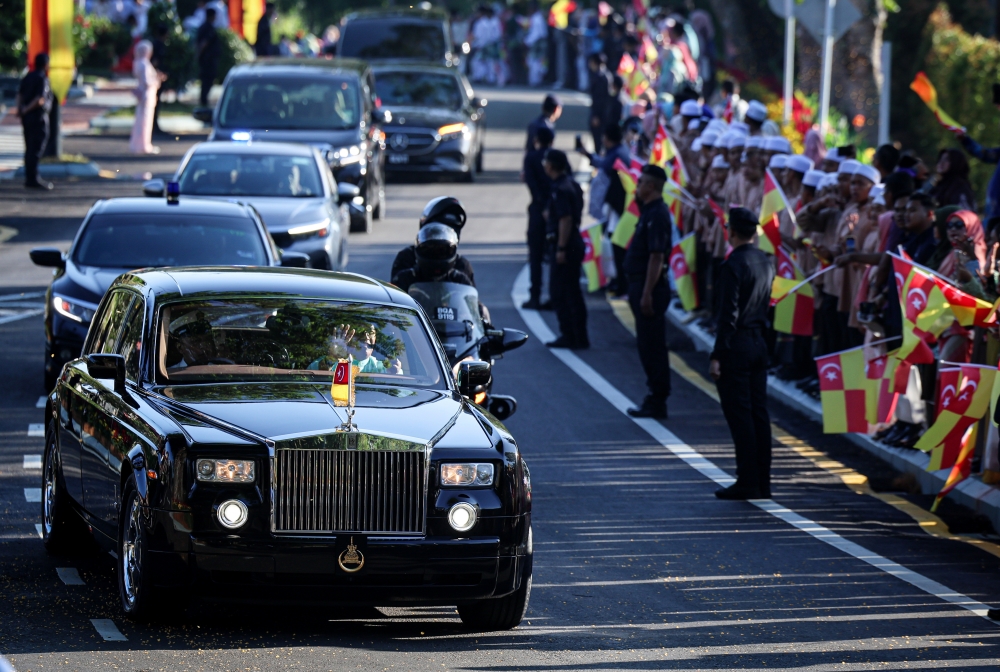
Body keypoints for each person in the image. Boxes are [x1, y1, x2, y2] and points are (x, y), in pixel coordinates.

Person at [709, 207, 775, 500]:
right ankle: (762, 480)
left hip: (737, 345)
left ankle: (747, 479)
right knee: (759, 413)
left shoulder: (732, 265)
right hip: (759, 342)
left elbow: (728, 315)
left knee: (741, 416)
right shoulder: (765, 260)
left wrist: (717, 354)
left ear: (730, 231)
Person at [625, 164, 673, 419]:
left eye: (641, 182)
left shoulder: (658, 214)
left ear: (651, 186)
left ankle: (658, 398)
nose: (637, 186)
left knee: (652, 346)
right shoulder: (649, 211)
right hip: (640, 284)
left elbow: (656, 257)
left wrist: (647, 293)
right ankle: (654, 396)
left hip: (649, 287)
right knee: (646, 345)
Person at [543, 149, 588, 349]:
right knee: (573, 291)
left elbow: (566, 219)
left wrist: (561, 247)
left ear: (550, 166)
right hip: (574, 242)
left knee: (560, 292)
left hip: (566, 245)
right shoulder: (572, 184)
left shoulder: (560, 188)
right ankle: (580, 336)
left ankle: (569, 335)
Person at [391, 197, 475, 284]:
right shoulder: (406, 258)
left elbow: (471, 296)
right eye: (438, 229)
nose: (443, 235)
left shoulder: (462, 265)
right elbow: (394, 294)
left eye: (451, 228)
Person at [523, 126, 554, 309]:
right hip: (556, 212)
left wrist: (541, 204)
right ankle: (553, 297)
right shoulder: (557, 157)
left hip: (537, 209)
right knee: (553, 257)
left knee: (535, 256)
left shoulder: (531, 157)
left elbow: (531, 183)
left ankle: (535, 295)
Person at [16, 53, 54, 191]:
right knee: (36, 149)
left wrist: (20, 110)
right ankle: (33, 178)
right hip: (38, 118)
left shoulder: (28, 76)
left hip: (27, 119)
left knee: (29, 148)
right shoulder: (42, 79)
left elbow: (19, 94)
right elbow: (40, 99)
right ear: (45, 65)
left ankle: (29, 177)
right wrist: (26, 109)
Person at [129, 40, 161, 155]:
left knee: (140, 120)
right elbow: (147, 81)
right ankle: (144, 145)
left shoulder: (137, 62)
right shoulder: (144, 63)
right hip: (147, 95)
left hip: (143, 95)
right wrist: (157, 79)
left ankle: (137, 144)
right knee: (145, 122)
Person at [196, 7, 221, 107]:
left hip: (207, 59)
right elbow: (203, 43)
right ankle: (203, 100)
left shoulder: (203, 27)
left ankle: (204, 99)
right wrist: (199, 55)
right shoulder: (208, 28)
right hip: (208, 60)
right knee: (207, 80)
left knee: (207, 80)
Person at [587, 53, 612, 150]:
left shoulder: (600, 77)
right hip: (604, 114)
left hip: (600, 115)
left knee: (599, 142)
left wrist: (596, 115)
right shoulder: (606, 75)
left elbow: (599, 99)